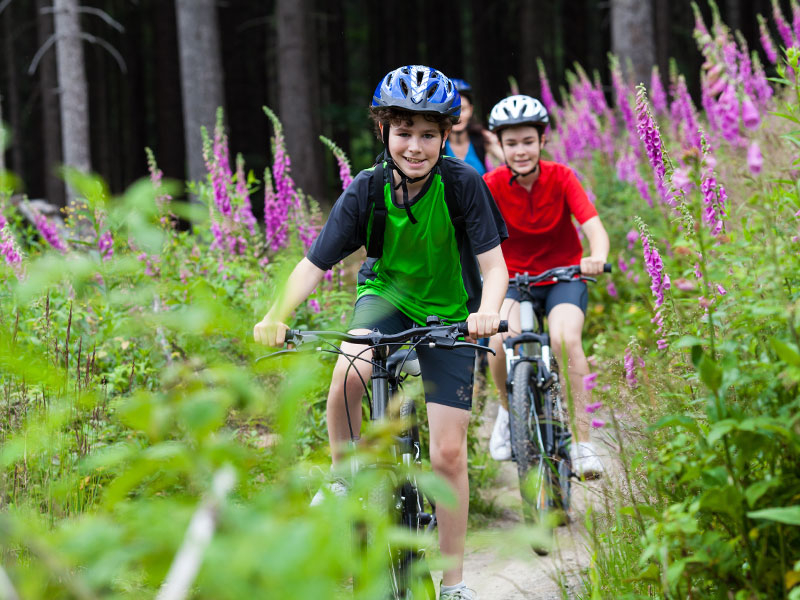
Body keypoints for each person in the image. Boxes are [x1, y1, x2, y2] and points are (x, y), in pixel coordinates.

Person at [253, 65, 508, 600]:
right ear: (384, 132)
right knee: (350, 367)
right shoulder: (366, 189)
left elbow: (494, 267)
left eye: (428, 134)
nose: (415, 146)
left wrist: (486, 311)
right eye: (404, 132)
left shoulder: (463, 184)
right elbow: (312, 264)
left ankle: (456, 583)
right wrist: (277, 314)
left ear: (444, 136)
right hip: (386, 298)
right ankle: (344, 474)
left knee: (448, 455)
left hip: (451, 311)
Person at [482, 95, 610, 477]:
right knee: (497, 341)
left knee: (565, 339)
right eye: (511, 143)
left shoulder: (562, 177)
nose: (520, 151)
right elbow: (474, 239)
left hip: (563, 277)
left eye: (527, 141)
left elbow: (593, 227)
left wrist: (596, 256)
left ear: (541, 141)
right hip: (513, 281)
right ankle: (508, 411)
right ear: (500, 146)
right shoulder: (489, 185)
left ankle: (584, 444)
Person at [445, 78, 504, 175]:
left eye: (462, 109)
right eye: (451, 110)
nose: (458, 116)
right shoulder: (437, 144)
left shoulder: (482, 141)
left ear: (471, 110)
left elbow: (512, 164)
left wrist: (493, 143)